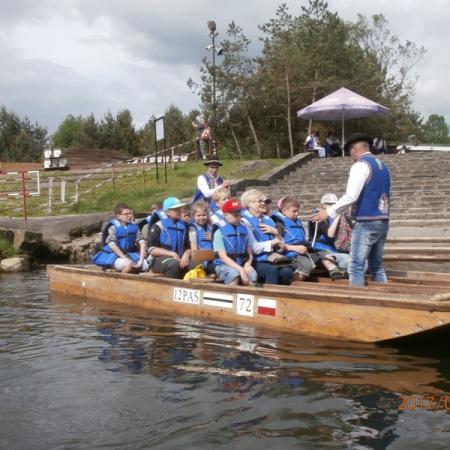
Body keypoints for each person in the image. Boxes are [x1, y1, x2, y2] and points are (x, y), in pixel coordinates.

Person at [311, 133, 390, 287]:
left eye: (349, 152)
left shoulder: (361, 165)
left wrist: (328, 212)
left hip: (366, 221)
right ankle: (385, 298)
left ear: (354, 150)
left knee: (356, 266)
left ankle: (356, 303)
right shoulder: (383, 166)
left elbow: (351, 196)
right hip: (383, 220)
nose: (350, 156)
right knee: (376, 266)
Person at [273, 196, 345, 281]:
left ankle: (334, 271)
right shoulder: (279, 224)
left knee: (326, 254)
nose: (297, 214)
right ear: (284, 211)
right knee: (307, 266)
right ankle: (291, 283)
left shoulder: (297, 222)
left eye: (297, 211)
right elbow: (277, 244)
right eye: (294, 211)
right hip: (291, 255)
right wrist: (294, 248)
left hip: (305, 252)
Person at [240, 189, 294, 285]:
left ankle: (282, 296)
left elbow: (281, 244)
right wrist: (274, 241)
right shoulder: (244, 221)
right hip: (254, 259)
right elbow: (254, 248)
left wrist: (276, 233)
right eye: (259, 201)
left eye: (263, 201)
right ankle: (270, 297)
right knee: (271, 271)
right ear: (250, 204)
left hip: (271, 257)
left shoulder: (268, 219)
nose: (263, 203)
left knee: (287, 272)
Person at [147, 197, 197, 278]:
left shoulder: (185, 226)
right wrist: (172, 254)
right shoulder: (158, 226)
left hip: (180, 257)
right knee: (174, 264)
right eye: (176, 209)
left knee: (195, 265)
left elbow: (189, 247)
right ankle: (168, 289)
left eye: (179, 208)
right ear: (167, 212)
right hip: (158, 260)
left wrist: (187, 254)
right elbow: (151, 249)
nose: (179, 211)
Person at [92, 203, 149, 273]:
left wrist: (141, 260)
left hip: (129, 254)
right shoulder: (113, 227)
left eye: (130, 213)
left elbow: (142, 242)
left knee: (147, 264)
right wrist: (125, 258)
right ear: (119, 216)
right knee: (127, 264)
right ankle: (121, 282)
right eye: (126, 214)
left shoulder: (134, 226)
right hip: (115, 255)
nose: (129, 216)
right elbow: (112, 245)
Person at [213, 199, 258, 286]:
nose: (239, 218)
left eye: (239, 215)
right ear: (226, 215)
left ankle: (247, 296)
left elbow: (250, 254)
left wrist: (248, 264)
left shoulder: (244, 230)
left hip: (241, 264)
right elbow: (223, 257)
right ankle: (230, 298)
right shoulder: (219, 232)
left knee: (252, 275)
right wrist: (240, 269)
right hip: (223, 266)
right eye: (235, 215)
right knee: (234, 274)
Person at [308, 193, 351, 271]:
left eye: (335, 204)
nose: (334, 207)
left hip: (331, 248)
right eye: (331, 204)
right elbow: (330, 234)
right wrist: (337, 216)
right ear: (323, 205)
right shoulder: (317, 215)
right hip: (318, 248)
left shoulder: (330, 216)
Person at [188, 201, 215, 275]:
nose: (202, 217)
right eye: (198, 215)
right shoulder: (192, 229)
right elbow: (194, 251)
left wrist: (213, 238)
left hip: (214, 259)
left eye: (204, 215)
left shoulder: (210, 227)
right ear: (193, 216)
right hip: (203, 261)